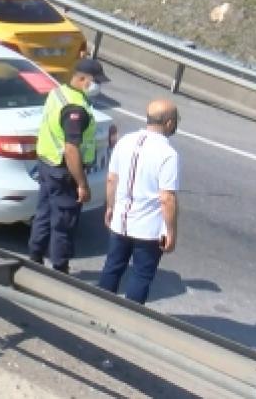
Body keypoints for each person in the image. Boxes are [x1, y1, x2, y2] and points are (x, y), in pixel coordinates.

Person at [28, 57, 109, 273]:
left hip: (47, 163)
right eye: (95, 81)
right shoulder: (76, 108)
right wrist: (82, 184)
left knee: (43, 213)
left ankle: (34, 258)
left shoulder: (59, 93)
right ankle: (60, 269)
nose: (98, 86)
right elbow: (72, 149)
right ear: (82, 79)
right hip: (64, 171)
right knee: (63, 222)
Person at [98, 99, 181, 304]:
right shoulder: (168, 154)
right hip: (148, 229)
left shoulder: (125, 141)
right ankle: (129, 318)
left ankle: (98, 309)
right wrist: (171, 232)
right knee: (141, 275)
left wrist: (110, 207)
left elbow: (111, 179)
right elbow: (167, 198)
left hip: (121, 221)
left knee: (112, 267)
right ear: (169, 123)